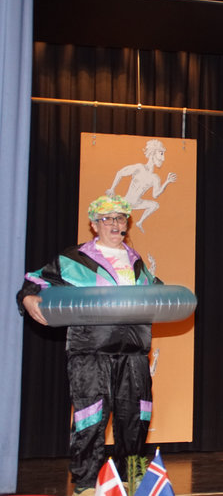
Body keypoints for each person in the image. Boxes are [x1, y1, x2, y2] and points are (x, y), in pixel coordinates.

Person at [17, 195, 159, 496]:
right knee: (90, 418)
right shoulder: (73, 259)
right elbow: (35, 281)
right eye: (107, 219)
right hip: (90, 351)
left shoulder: (136, 261)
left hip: (133, 354)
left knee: (136, 418)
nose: (115, 224)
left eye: (120, 218)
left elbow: (156, 292)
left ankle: (131, 481)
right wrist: (28, 298)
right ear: (94, 225)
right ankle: (85, 484)